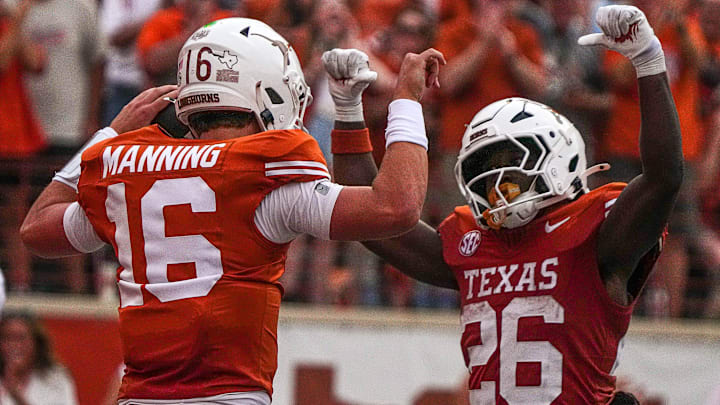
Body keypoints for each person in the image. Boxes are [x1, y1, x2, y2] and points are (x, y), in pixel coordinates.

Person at [20, 18, 444, 404]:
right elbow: (396, 207)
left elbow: (37, 229)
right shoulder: (269, 183)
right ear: (267, 90)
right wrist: (405, 100)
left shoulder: (127, 173)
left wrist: (108, 135)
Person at [329, 5, 682, 404]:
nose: (496, 181)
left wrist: (648, 61)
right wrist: (347, 110)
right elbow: (368, 222)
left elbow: (663, 178)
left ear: (558, 156)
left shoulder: (594, 234)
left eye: (510, 164)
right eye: (485, 168)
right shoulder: (475, 243)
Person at [0, 311, 78, 405]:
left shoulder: (55, 378)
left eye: (21, 338)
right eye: (7, 338)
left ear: (36, 343)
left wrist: (17, 396)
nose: (14, 346)